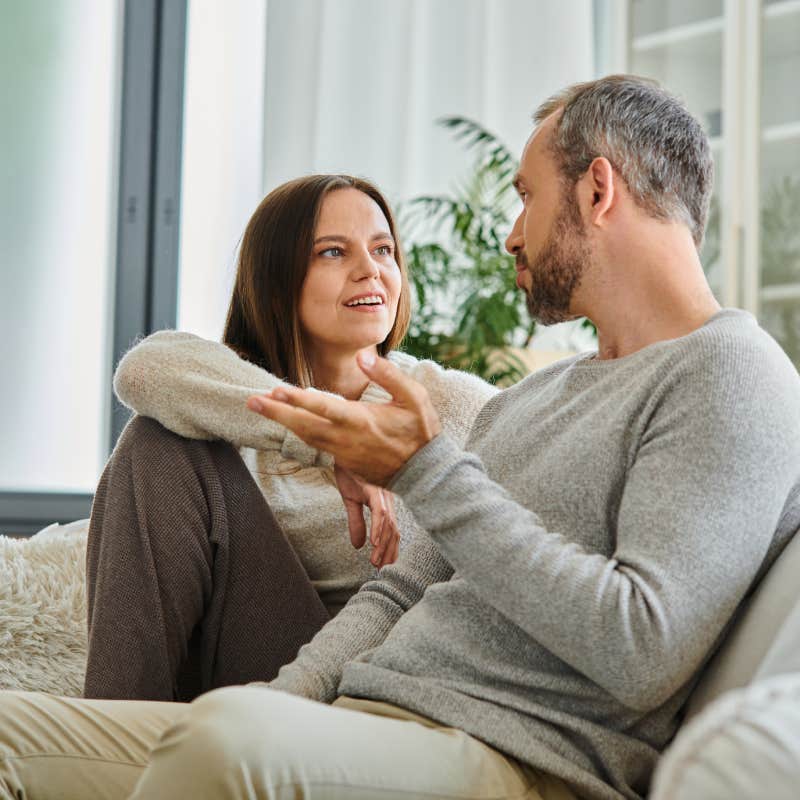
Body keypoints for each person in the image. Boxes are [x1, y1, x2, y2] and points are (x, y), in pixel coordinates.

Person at [1, 74, 799, 800]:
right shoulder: (535, 396)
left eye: (526, 198)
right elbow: (402, 589)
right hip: (371, 713)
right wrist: (288, 701)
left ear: (597, 191)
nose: (512, 236)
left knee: (225, 748)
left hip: (510, 753)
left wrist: (423, 470)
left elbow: (642, 648)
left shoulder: (730, 373)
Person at [82, 173, 497, 701]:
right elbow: (143, 370)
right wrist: (330, 442)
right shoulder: (233, 390)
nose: (369, 270)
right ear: (277, 277)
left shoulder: (452, 402)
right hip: (252, 659)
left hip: (382, 676)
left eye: (383, 249)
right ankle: (116, 735)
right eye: (332, 252)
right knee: (155, 442)